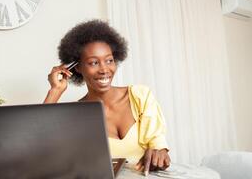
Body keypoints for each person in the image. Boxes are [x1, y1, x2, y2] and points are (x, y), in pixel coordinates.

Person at [44, 19, 170, 175]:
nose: (104, 69)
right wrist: (55, 91)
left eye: (109, 60)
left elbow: (158, 143)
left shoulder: (140, 96)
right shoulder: (75, 114)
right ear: (77, 67)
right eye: (93, 63)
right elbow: (41, 149)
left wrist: (160, 152)